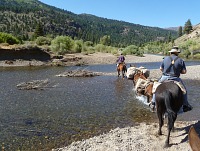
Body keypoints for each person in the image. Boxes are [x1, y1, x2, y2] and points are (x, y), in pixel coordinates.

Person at [150, 46, 192, 112]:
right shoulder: (181, 60)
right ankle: (185, 105)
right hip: (175, 78)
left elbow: (161, 68)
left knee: (155, 88)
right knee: (184, 91)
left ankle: (153, 102)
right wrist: (179, 71)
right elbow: (184, 71)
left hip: (164, 77)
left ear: (170, 53)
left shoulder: (165, 59)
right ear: (177, 53)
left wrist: (166, 70)